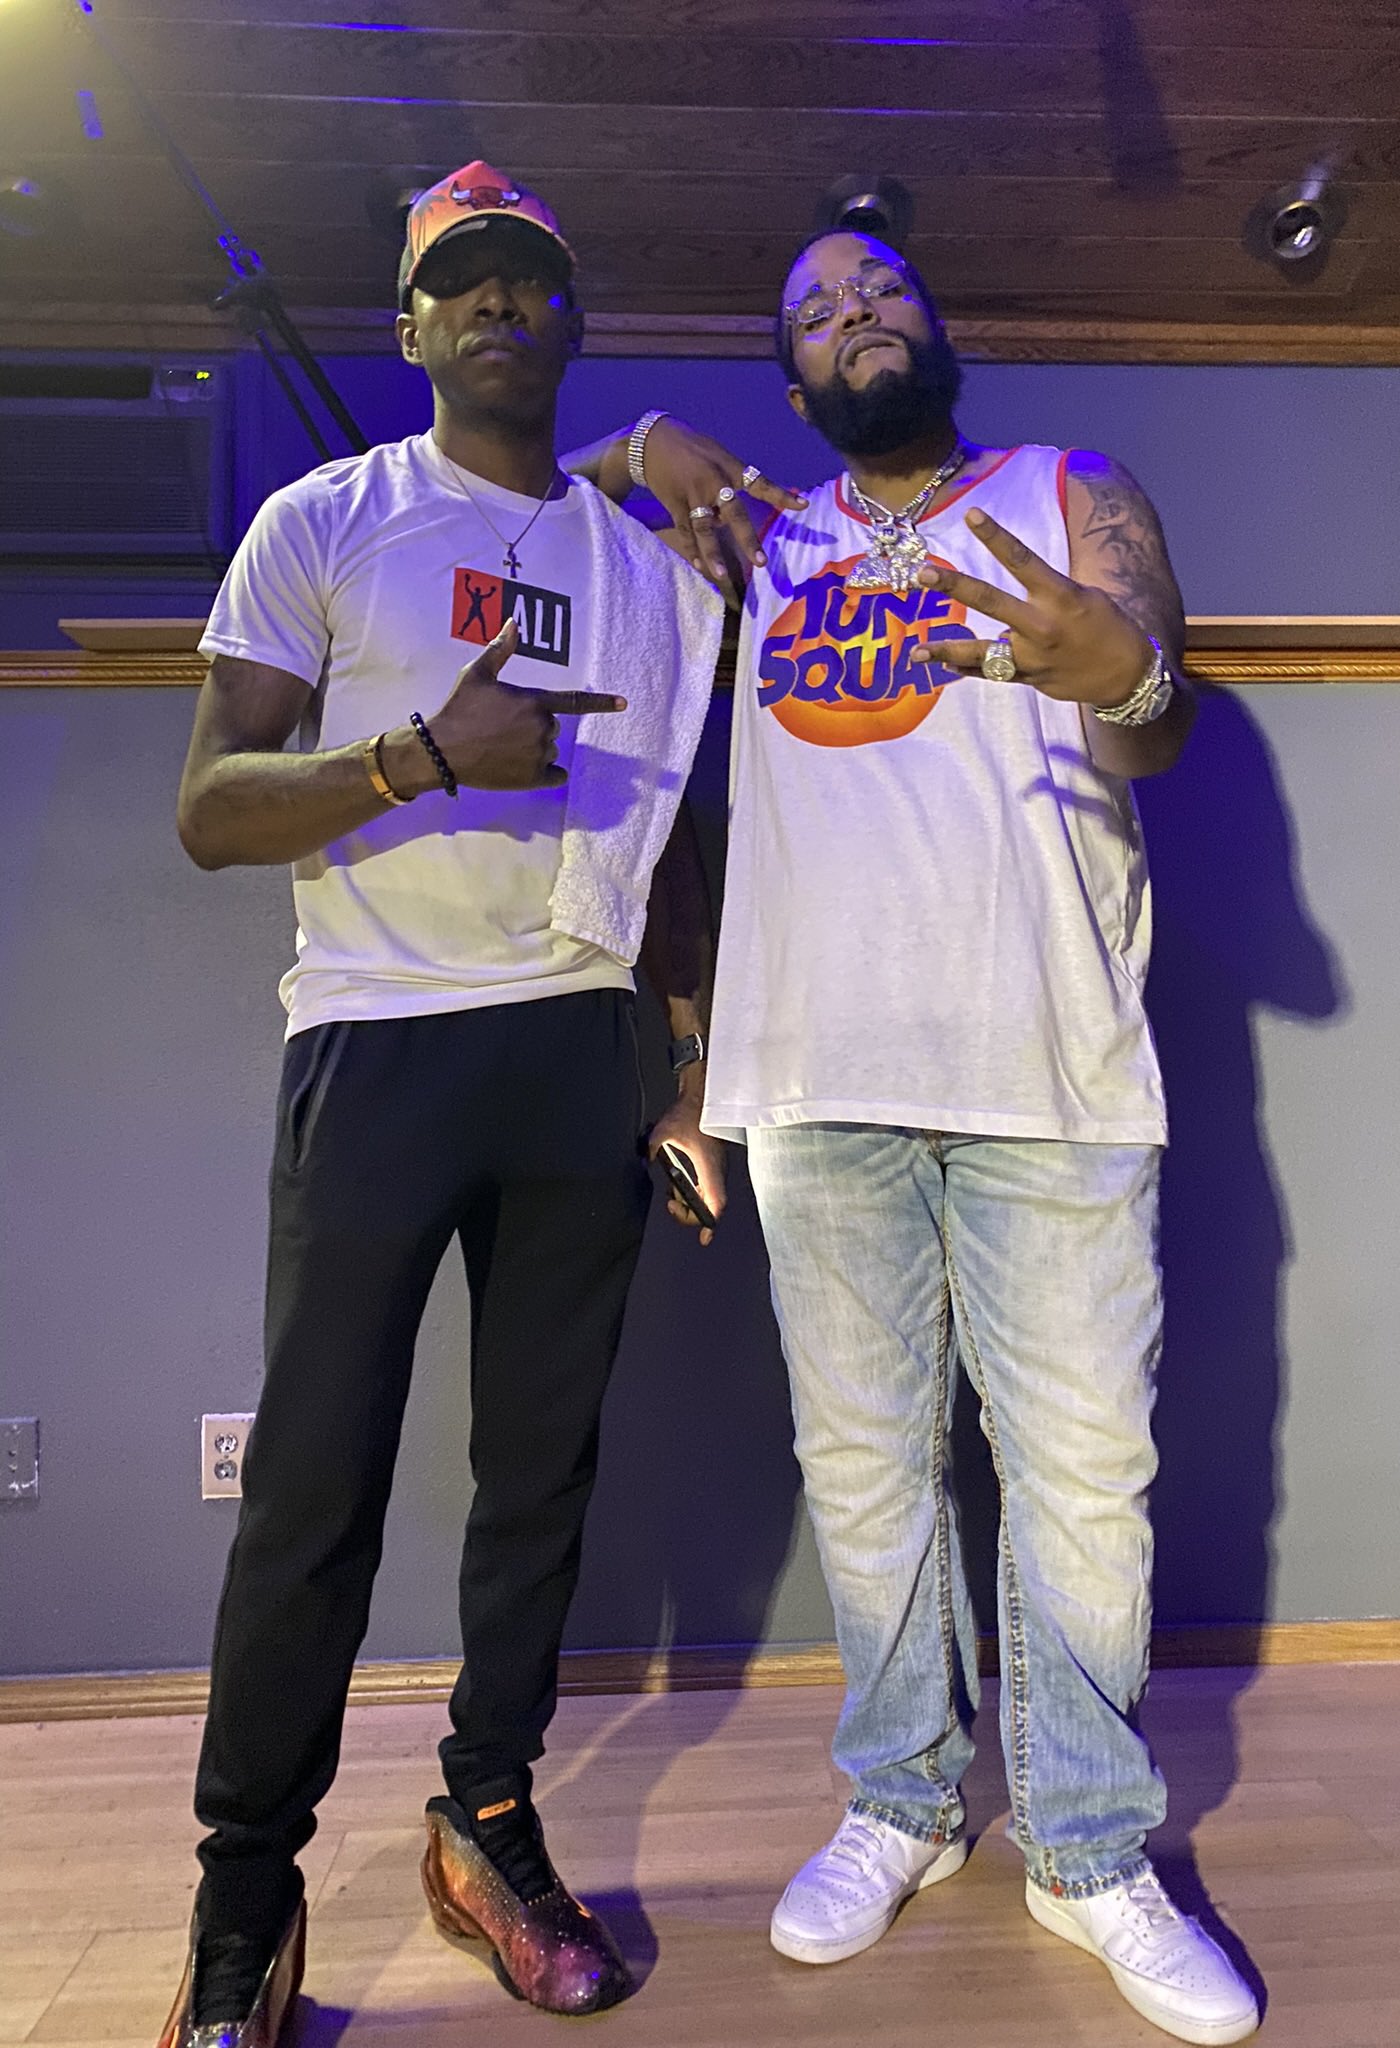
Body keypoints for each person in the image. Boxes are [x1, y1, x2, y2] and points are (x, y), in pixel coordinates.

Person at [158, 163, 790, 2046]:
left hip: (579, 1045)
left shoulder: (644, 567)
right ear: (413, 327)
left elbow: (671, 840)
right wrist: (421, 756)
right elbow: (209, 807)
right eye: (464, 284)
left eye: (531, 281)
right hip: (377, 1042)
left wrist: (688, 1070)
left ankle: (489, 1821)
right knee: (314, 1486)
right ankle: (245, 1898)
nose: (499, 305)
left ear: (571, 320)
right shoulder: (325, 519)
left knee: (540, 1477)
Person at [694, 230, 1260, 2046]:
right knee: (865, 1473)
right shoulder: (754, 539)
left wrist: (1122, 674)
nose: (852, 315)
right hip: (818, 1073)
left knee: (1082, 1477)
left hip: (1047, 1065)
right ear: (793, 385)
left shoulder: (1071, 491)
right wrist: (636, 446)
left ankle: (1088, 1852)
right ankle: (907, 1803)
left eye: (878, 289)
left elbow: (1157, 718)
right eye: (812, 311)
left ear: (937, 327)